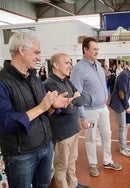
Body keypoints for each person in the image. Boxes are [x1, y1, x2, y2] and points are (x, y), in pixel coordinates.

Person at [0, 32, 69, 188]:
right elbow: (4, 123)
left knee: (43, 185)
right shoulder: (2, 81)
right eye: (36, 52)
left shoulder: (35, 79)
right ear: (22, 50)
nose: (39, 58)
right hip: (21, 155)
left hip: (45, 146)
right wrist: (41, 107)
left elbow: (44, 112)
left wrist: (53, 106)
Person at [70, 37, 122, 177]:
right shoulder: (78, 69)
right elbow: (76, 95)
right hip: (89, 110)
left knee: (107, 135)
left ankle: (107, 161)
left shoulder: (98, 65)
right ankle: (93, 164)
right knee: (91, 138)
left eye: (98, 49)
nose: (96, 52)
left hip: (103, 108)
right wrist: (83, 116)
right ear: (85, 50)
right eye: (94, 49)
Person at [44, 53, 89, 188]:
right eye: (67, 63)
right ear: (56, 65)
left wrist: (71, 101)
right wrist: (73, 99)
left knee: (71, 161)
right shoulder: (49, 84)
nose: (70, 66)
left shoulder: (67, 81)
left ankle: (73, 184)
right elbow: (66, 109)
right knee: (61, 167)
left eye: (70, 63)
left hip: (73, 130)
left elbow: (82, 100)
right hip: (62, 134)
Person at [110, 57, 130, 157]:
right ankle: (123, 148)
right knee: (122, 127)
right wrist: (127, 106)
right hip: (120, 105)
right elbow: (121, 92)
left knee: (126, 125)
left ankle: (125, 145)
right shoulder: (124, 75)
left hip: (126, 104)